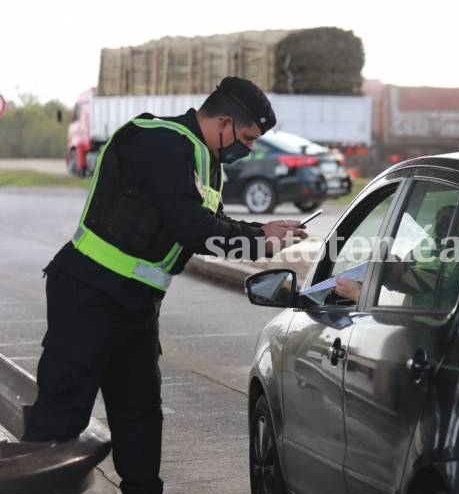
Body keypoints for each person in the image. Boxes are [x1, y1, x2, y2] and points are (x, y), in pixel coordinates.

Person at [22, 77, 306, 494]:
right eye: (246, 138)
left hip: (137, 306)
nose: (247, 149)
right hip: (90, 294)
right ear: (224, 121)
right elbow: (190, 227)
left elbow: (213, 224)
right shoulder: (163, 141)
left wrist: (262, 229)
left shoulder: (207, 162)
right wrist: (260, 240)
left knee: (140, 418)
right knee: (59, 420)